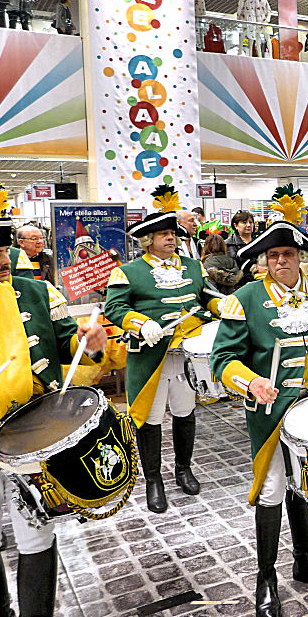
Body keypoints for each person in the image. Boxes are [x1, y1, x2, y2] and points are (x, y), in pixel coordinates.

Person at [210, 218, 308, 617]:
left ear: (301, 258)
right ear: (263, 261)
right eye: (273, 255)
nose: (281, 260)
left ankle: (305, 560)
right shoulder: (245, 298)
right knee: (273, 488)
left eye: (289, 254)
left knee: (304, 482)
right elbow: (222, 360)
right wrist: (250, 381)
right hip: (273, 409)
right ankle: (265, 578)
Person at [0, 175, 107, 617]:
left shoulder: (37, 292)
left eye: (5, 251)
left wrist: (89, 344)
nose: (6, 261)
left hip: (33, 434)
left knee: (36, 529)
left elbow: (66, 347)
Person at [104, 185, 221, 513]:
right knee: (150, 419)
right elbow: (114, 308)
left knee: (185, 413)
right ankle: (153, 479)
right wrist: (140, 323)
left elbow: (205, 296)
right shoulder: (127, 272)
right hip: (150, 356)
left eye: (173, 233)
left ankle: (184, 468)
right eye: (163, 234)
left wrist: (220, 304)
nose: (171, 238)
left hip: (186, 354)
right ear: (147, 240)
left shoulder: (193, 267)